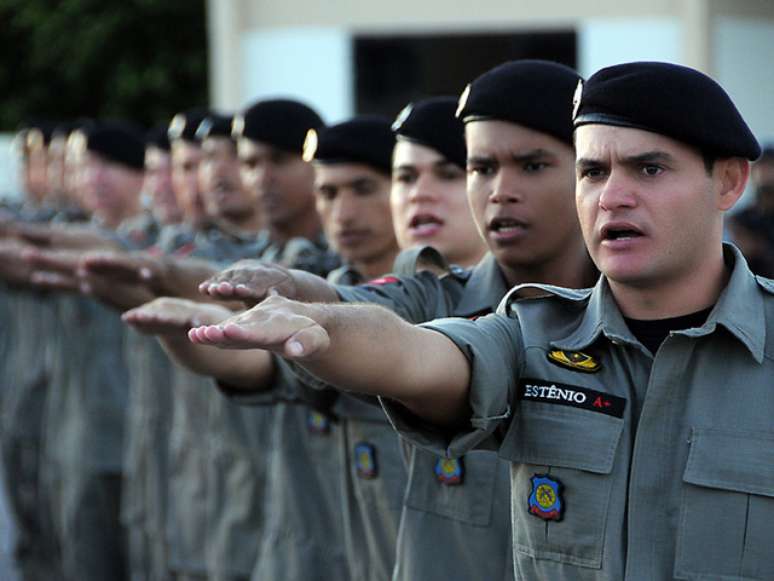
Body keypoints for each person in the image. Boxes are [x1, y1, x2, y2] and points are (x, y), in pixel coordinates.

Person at [190, 61, 771, 580]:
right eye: (593, 173)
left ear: (727, 181)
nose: (612, 197)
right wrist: (321, 326)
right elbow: (415, 353)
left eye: (648, 169)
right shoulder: (531, 335)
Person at [194, 63, 597, 581]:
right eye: (481, 168)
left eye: (533, 165)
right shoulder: (436, 296)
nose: (500, 191)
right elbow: (371, 316)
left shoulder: (640, 322)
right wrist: (304, 301)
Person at [728, 145, 774, 277]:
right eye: (762, 167)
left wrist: (758, 249)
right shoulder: (740, 218)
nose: (766, 173)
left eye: (770, 167)